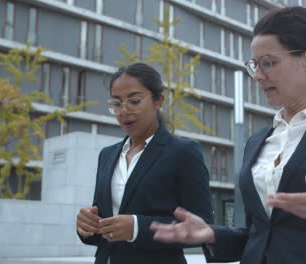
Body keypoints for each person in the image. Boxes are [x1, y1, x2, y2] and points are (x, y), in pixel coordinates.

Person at [150, 6, 306, 264]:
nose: (258, 76)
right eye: (254, 65)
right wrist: (211, 234)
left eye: (268, 63)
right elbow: (259, 234)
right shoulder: (256, 142)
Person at [76, 62, 212, 264]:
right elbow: (103, 225)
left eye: (135, 101)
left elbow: (202, 226)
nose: (124, 110)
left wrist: (138, 227)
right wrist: (86, 227)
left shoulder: (184, 152)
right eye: (116, 103)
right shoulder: (107, 155)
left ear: (158, 100)